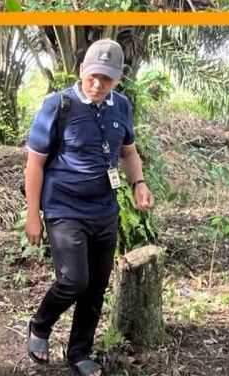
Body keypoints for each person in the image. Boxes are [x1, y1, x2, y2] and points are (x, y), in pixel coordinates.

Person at [23, 39, 155, 375]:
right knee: (73, 280)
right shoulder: (58, 105)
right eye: (92, 76)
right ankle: (40, 324)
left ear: (118, 79)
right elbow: (35, 164)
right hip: (64, 208)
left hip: (104, 210)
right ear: (81, 70)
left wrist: (139, 183)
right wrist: (32, 214)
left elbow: (128, 152)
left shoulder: (121, 106)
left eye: (106, 79)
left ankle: (79, 352)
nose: (97, 84)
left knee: (95, 286)